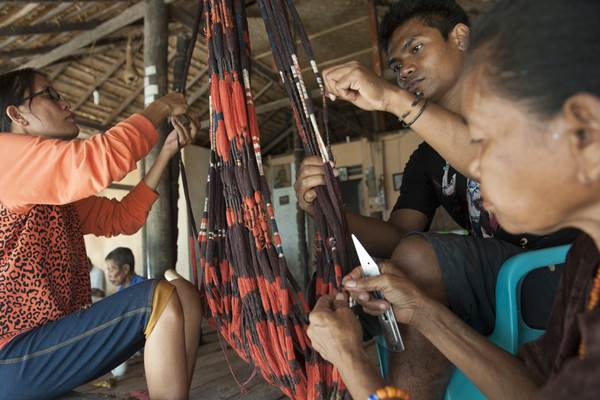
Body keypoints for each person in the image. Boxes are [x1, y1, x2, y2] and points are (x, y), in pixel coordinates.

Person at [307, 0, 600, 399]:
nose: (475, 165)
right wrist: (423, 313)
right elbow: (532, 391)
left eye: (487, 139)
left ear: (584, 132)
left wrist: (353, 364)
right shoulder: (587, 263)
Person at [0, 68, 203, 400]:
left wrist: (166, 151)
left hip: (49, 348)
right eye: (50, 95)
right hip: (13, 358)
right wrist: (162, 107)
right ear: (16, 114)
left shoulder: (52, 191)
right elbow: (99, 158)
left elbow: (122, 218)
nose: (65, 103)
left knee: (185, 296)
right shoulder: (4, 157)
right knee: (157, 298)